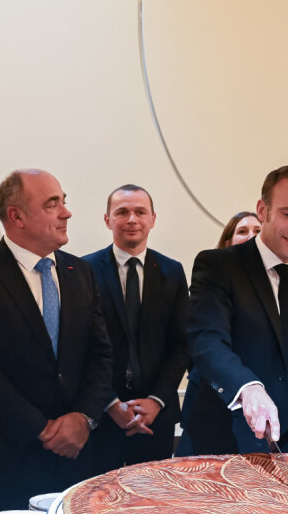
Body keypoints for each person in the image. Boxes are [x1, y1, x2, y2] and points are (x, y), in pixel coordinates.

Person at [0, 169, 114, 514]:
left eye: (64, 202)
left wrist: (83, 418)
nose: (67, 213)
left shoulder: (81, 273)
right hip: (4, 460)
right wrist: (45, 429)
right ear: (16, 216)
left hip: (77, 461)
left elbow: (101, 356)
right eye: (53, 205)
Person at [177, 164, 288, 456]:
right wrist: (248, 388)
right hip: (227, 438)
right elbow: (208, 340)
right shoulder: (219, 266)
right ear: (263, 210)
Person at [83, 184, 189, 474]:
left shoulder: (172, 272)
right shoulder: (83, 271)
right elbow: (79, 346)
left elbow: (181, 344)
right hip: (102, 414)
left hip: (157, 415)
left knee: (150, 498)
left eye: (140, 212)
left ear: (153, 219)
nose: (132, 219)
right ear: (108, 220)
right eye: (122, 212)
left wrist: (156, 401)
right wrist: (111, 404)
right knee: (99, 498)